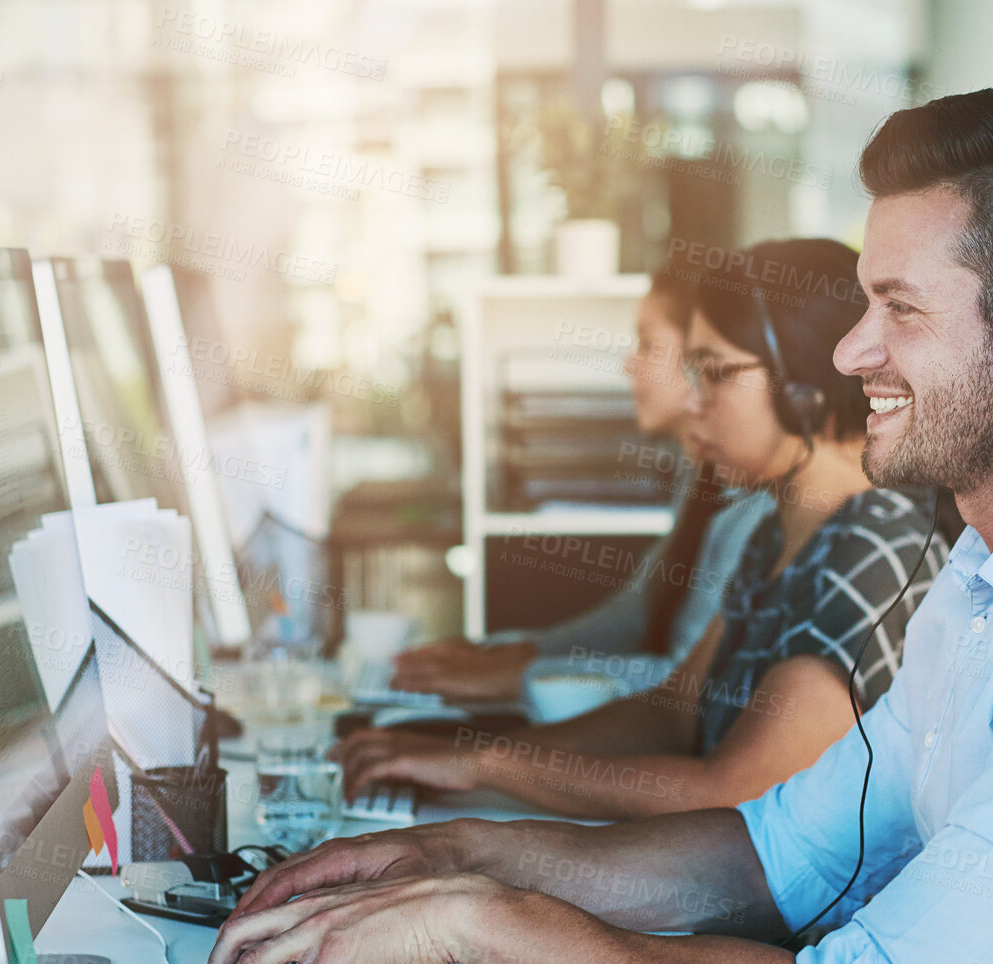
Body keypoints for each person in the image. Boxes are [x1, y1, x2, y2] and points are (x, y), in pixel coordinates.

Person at [205, 86, 993, 964]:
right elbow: (763, 851)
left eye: (898, 309)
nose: (852, 354)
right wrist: (456, 852)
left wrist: (477, 921)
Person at [336, 238, 946, 819]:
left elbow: (730, 795)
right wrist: (486, 756)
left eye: (715, 373)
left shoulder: (871, 548)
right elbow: (675, 710)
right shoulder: (777, 533)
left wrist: (490, 770)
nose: (690, 401)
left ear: (803, 392)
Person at [389, 258, 773, 704]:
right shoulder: (701, 478)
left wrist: (519, 675)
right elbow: (635, 615)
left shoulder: (754, 505)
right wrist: (505, 653)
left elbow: (685, 684)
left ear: (700, 357)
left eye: (647, 345)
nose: (628, 366)